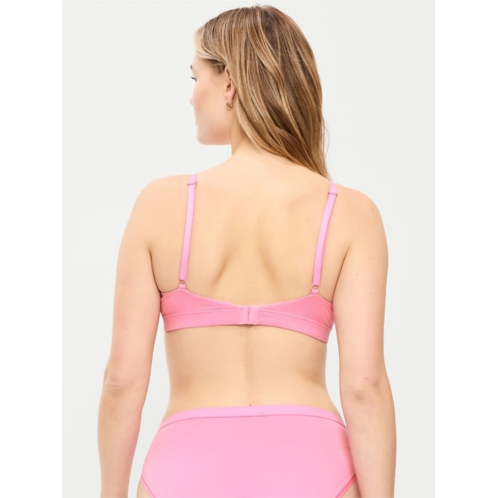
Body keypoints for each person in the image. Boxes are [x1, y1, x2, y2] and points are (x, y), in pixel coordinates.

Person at [98, 5, 397, 498]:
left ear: (230, 84)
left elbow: (122, 382)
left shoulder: (160, 205)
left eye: (196, 76)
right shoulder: (349, 213)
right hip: (314, 465)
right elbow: (365, 387)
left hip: (185, 467)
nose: (191, 95)